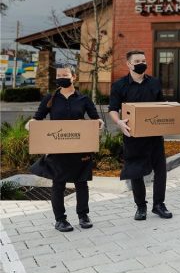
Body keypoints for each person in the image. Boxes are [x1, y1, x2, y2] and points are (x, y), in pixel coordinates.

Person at [26, 64, 104, 232]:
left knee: (81, 183)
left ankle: (83, 216)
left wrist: (98, 124)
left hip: (80, 148)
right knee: (58, 184)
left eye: (65, 74)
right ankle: (60, 220)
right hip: (58, 148)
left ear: (73, 77)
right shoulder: (50, 99)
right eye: (59, 75)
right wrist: (31, 125)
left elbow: (96, 120)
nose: (62, 77)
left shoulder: (84, 99)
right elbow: (37, 119)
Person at [108, 50, 172, 220]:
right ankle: (141, 207)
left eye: (143, 60)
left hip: (154, 135)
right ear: (128, 64)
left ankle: (159, 205)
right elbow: (113, 109)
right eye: (137, 61)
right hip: (132, 135)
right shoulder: (119, 85)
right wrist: (119, 122)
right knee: (136, 171)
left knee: (160, 170)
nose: (141, 63)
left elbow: (162, 106)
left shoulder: (155, 83)